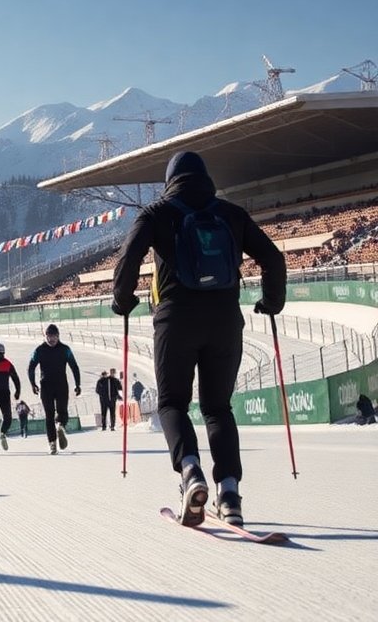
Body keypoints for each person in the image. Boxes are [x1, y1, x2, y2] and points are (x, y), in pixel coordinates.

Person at [112, 150, 286, 528]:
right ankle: (230, 495)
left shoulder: (157, 213)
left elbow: (127, 260)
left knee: (173, 403)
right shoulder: (230, 214)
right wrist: (271, 301)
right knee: (218, 408)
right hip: (225, 321)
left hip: (176, 320)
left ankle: (191, 473)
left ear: (170, 181)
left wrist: (123, 301)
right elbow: (273, 259)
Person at [27, 324, 81, 455]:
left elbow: (74, 366)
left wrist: (78, 384)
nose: (51, 339)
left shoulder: (65, 349)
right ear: (45, 336)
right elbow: (31, 367)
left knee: (62, 411)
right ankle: (52, 443)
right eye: (49, 336)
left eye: (54, 336)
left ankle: (60, 426)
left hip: (61, 385)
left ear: (58, 336)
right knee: (49, 415)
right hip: (46, 386)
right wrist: (33, 384)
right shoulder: (39, 350)